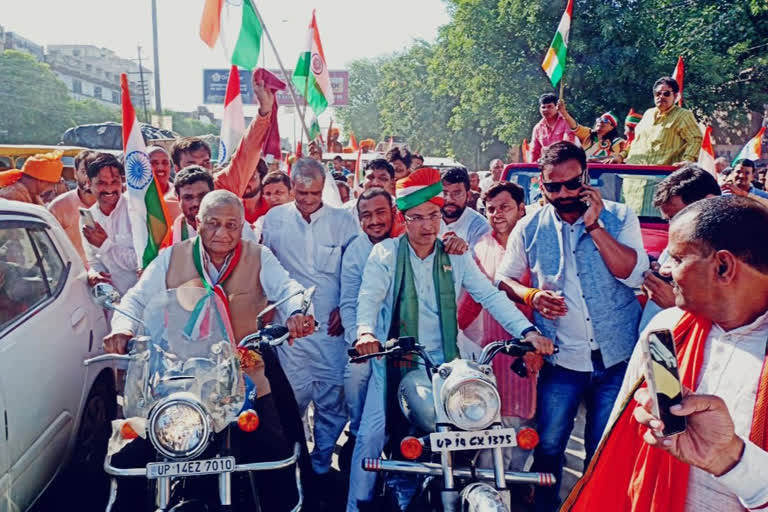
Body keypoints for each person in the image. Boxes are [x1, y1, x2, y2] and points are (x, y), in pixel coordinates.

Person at [348, 167, 555, 511]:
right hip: (394, 359)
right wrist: (366, 332)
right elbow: (368, 298)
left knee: (478, 426)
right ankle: (356, 505)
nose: (428, 226)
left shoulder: (456, 254)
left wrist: (528, 332)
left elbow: (490, 296)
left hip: (447, 365)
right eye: (417, 218)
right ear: (403, 218)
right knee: (370, 436)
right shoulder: (385, 254)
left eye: (434, 216)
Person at [102, 189, 315, 512]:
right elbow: (136, 297)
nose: (223, 233)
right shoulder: (171, 257)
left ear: (242, 226)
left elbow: (288, 288)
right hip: (181, 370)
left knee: (276, 446)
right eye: (213, 223)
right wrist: (122, 327)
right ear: (197, 222)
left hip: (245, 364)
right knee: (132, 449)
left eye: (232, 225)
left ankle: (286, 503)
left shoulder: (259, 256)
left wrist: (298, 310)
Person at [562, 195, 768, 512]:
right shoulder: (667, 330)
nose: (663, 269)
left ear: (723, 266)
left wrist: (731, 459)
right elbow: (615, 451)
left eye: (677, 258)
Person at [495, 141, 649, 512]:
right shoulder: (529, 225)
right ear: (541, 185)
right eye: (553, 187)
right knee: (548, 446)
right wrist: (530, 295)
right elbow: (503, 280)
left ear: (587, 178)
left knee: (601, 450)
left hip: (615, 359)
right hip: (561, 361)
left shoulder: (619, 216)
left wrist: (594, 227)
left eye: (571, 184)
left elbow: (633, 274)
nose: (563, 194)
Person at [261, 157, 358, 486]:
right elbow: (265, 267)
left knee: (332, 401)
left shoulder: (343, 221)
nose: (306, 200)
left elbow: (354, 270)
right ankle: (294, 464)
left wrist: (345, 308)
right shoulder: (274, 219)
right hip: (289, 331)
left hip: (331, 331)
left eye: (313, 194)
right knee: (291, 400)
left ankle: (321, 465)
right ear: (291, 187)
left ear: (323, 190)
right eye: (300, 193)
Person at [458, 181, 542, 470]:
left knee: (537, 423)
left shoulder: (538, 242)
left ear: (522, 208)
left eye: (504, 207)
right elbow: (471, 299)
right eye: (490, 209)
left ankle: (523, 479)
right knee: (497, 418)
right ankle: (493, 485)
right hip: (499, 350)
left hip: (544, 346)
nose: (496, 214)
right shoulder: (481, 248)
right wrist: (452, 330)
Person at [338, 187, 396, 472]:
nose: (374, 221)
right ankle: (357, 430)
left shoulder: (409, 239)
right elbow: (348, 302)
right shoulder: (356, 249)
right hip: (368, 339)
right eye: (366, 215)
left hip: (407, 340)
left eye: (380, 212)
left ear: (394, 212)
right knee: (355, 373)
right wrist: (359, 337)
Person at [170, 73, 275, 220]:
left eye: (205, 163)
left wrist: (264, 111)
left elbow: (247, 152)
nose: (200, 169)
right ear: (176, 169)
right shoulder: (165, 206)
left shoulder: (223, 185)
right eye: (191, 164)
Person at [638, 165, 721, 333]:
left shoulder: (738, 256)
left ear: (709, 203)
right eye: (669, 220)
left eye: (679, 217)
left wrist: (676, 304)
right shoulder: (677, 243)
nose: (673, 228)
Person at [80, 153, 139, 295]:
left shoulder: (135, 210)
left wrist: (105, 244)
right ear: (88, 183)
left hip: (141, 300)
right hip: (112, 303)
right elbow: (93, 261)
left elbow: (140, 263)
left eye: (115, 181)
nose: (109, 189)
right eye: (102, 183)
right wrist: (94, 274)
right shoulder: (88, 218)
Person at [612, 77, 702, 166]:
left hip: (661, 176)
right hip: (635, 175)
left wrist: (688, 160)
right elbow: (636, 142)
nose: (661, 96)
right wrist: (621, 156)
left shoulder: (683, 115)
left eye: (666, 94)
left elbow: (695, 139)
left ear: (675, 96)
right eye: (658, 93)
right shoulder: (648, 114)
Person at [169, 166, 257, 244]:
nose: (196, 203)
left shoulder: (237, 228)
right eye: (188, 197)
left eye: (202, 196)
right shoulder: (171, 234)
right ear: (178, 198)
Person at [48, 150, 97, 266]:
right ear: (75, 173)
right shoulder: (58, 207)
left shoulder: (115, 203)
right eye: (84, 172)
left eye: (94, 172)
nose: (89, 177)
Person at [440, 166, 492, 249]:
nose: (449, 200)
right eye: (444, 193)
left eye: (456, 193)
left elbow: (480, 260)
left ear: (468, 195)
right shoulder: (428, 219)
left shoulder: (480, 227)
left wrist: (464, 249)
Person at [558, 101, 626, 161]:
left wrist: (596, 159)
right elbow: (575, 127)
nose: (600, 122)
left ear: (612, 127)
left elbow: (614, 158)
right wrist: (564, 113)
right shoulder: (588, 133)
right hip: (585, 171)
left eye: (605, 121)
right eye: (599, 119)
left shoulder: (616, 142)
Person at [530, 94, 575, 163]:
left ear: (557, 107)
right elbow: (534, 152)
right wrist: (531, 168)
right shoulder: (537, 128)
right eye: (543, 107)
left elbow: (568, 145)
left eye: (549, 107)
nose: (546, 110)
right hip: (546, 166)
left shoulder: (566, 122)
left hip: (565, 165)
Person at [146, 145, 181, 220]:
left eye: (165, 162)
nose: (160, 167)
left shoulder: (179, 192)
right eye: (154, 163)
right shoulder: (136, 196)